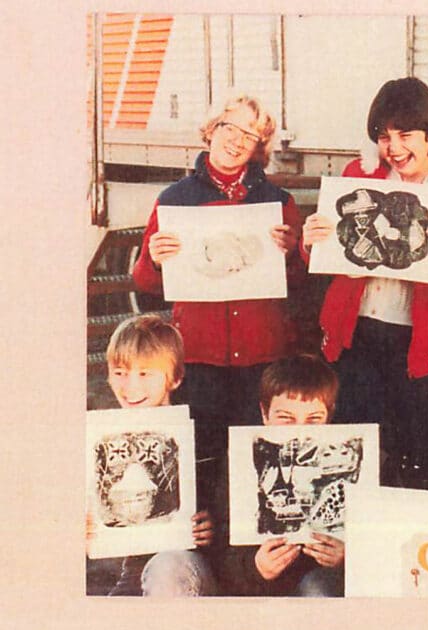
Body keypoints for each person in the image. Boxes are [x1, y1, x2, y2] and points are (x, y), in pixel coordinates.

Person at [302, 77, 428, 489]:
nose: (394, 148)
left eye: (405, 135)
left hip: (420, 343)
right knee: (354, 444)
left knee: (418, 449)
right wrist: (312, 240)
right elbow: (325, 257)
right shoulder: (360, 175)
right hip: (357, 335)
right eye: (384, 137)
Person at [131, 94, 305, 516]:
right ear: (211, 130)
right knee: (202, 460)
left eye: (250, 134)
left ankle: (250, 553)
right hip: (199, 357)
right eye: (230, 128)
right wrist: (155, 256)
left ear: (259, 147)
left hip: (262, 358)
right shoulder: (174, 198)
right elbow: (144, 282)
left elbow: (301, 283)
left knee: (259, 463)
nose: (237, 140)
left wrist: (293, 252)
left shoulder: (278, 201)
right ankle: (204, 548)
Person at [90, 314, 217, 596]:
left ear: (175, 378)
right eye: (120, 373)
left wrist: (214, 525)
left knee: (167, 569)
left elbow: (235, 512)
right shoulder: (102, 439)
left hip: (190, 567)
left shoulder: (204, 433)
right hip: (135, 570)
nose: (131, 387)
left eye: (145, 374)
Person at [218, 354, 346, 597]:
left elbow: (380, 543)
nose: (299, 430)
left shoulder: (349, 459)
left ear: (329, 417)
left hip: (322, 586)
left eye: (313, 419)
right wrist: (255, 567)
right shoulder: (240, 462)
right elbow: (222, 553)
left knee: (318, 588)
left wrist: (347, 557)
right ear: (264, 415)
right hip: (262, 595)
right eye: (286, 419)